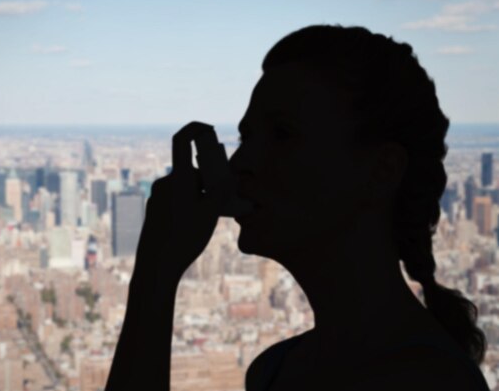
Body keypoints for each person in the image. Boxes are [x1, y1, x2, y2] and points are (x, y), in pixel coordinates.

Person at [104, 24, 490, 391]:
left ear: (381, 171)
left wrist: (155, 275)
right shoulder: (280, 367)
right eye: (247, 137)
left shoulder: (418, 384)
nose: (239, 164)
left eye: (283, 134)